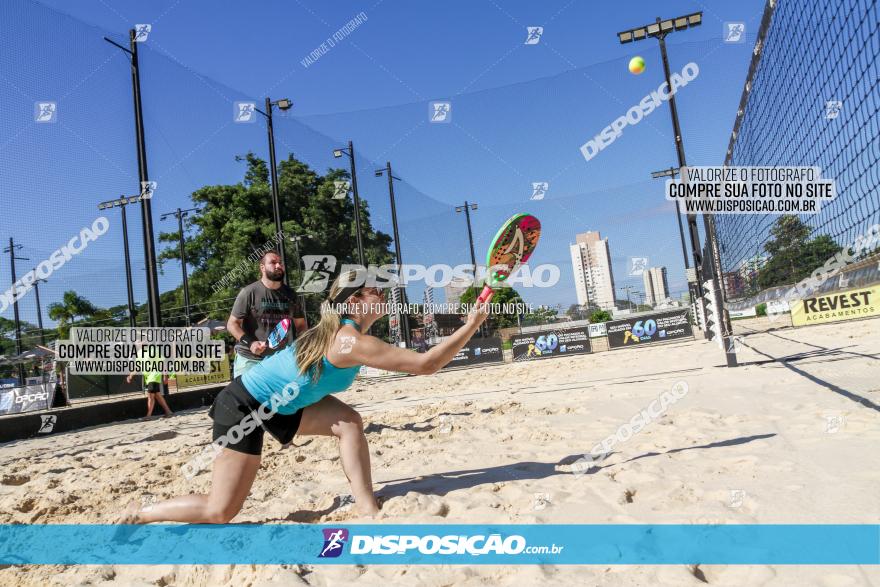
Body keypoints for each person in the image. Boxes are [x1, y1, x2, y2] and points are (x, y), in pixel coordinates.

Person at [120, 270, 493, 523]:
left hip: (283, 404)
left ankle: (367, 508)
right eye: (376, 290)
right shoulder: (349, 340)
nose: (383, 295)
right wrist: (472, 323)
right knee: (221, 511)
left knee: (349, 422)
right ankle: (142, 513)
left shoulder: (342, 333)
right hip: (245, 406)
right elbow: (426, 364)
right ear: (355, 300)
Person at [227, 250, 307, 378]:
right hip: (250, 359)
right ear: (262, 267)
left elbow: (301, 325)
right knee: (247, 398)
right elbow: (232, 324)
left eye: (280, 263)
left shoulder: (291, 295)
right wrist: (251, 343)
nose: (278, 266)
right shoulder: (249, 292)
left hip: (280, 360)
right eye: (273, 263)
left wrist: (301, 346)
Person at [126, 343, 174, 419]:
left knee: (150, 395)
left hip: (155, 375)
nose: (138, 343)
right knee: (157, 395)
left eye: (140, 341)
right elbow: (138, 366)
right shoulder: (139, 353)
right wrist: (130, 376)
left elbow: (163, 363)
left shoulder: (154, 350)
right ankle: (168, 412)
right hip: (148, 378)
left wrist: (165, 375)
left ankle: (148, 416)